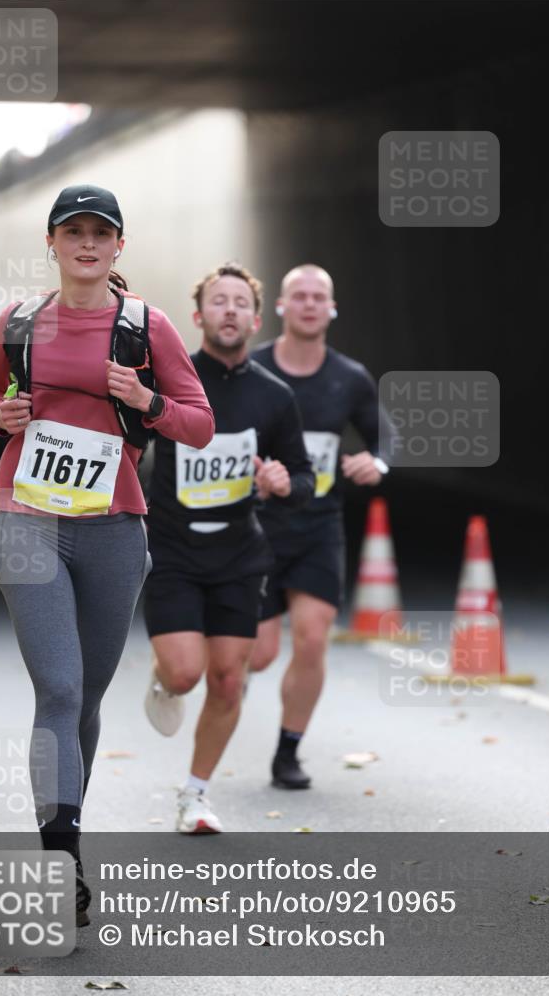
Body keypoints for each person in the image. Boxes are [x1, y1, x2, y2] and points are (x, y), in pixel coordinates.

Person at [0, 185, 214, 923]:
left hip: (113, 527)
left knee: (89, 698)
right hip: (27, 518)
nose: (85, 243)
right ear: (51, 242)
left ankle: (63, 818)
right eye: (71, 231)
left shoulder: (147, 327)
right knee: (61, 690)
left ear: (117, 247)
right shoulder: (18, 323)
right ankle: (63, 858)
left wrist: (145, 404)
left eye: (99, 232)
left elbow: (198, 425)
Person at [142, 261, 314, 833]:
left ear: (257, 319)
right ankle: (166, 671)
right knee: (188, 674)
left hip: (240, 555)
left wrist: (283, 483)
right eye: (219, 301)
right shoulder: (172, 380)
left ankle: (195, 795)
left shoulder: (274, 396)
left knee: (228, 679)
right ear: (198, 316)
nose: (231, 310)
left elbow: (303, 478)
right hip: (172, 550)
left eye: (241, 302)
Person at [250, 264, 387, 789]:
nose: (309, 304)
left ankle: (288, 753)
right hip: (257, 528)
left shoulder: (349, 377)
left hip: (317, 527)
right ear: (281, 307)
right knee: (257, 654)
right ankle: (226, 688)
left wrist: (376, 463)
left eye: (319, 297)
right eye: (298, 296)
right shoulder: (252, 369)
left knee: (311, 640)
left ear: (331, 309)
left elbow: (384, 439)